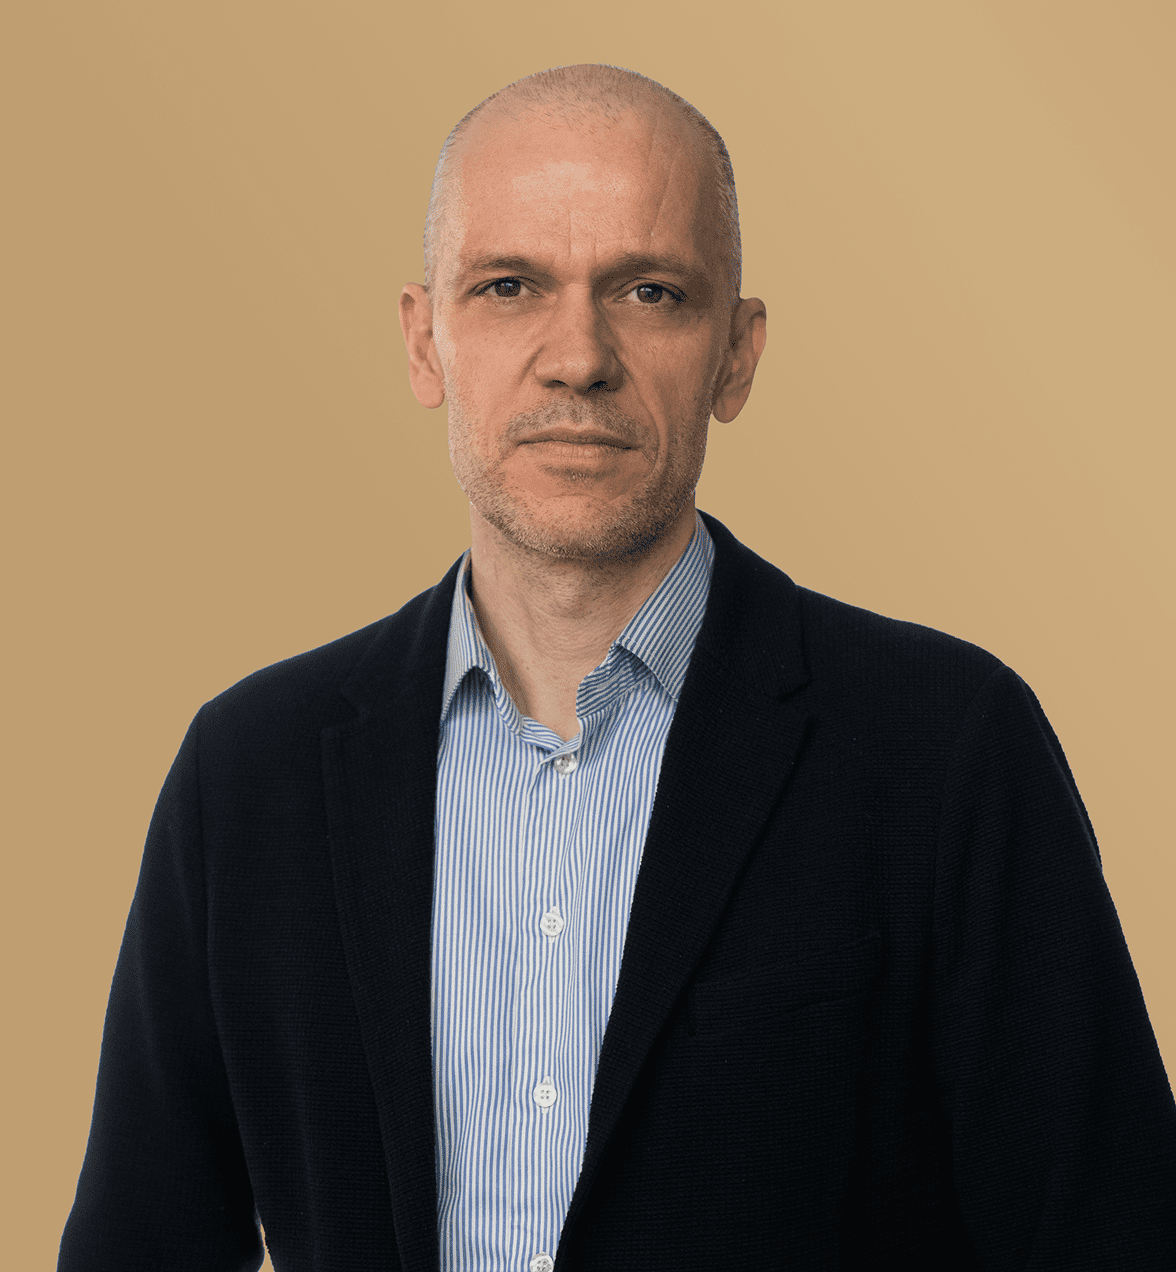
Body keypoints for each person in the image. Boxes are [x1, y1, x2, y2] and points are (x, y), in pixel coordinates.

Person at [59, 63, 1175, 1272]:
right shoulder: (247, 778)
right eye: (508, 287)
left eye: (651, 291)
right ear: (424, 339)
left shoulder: (947, 751)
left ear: (737, 356)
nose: (577, 356)